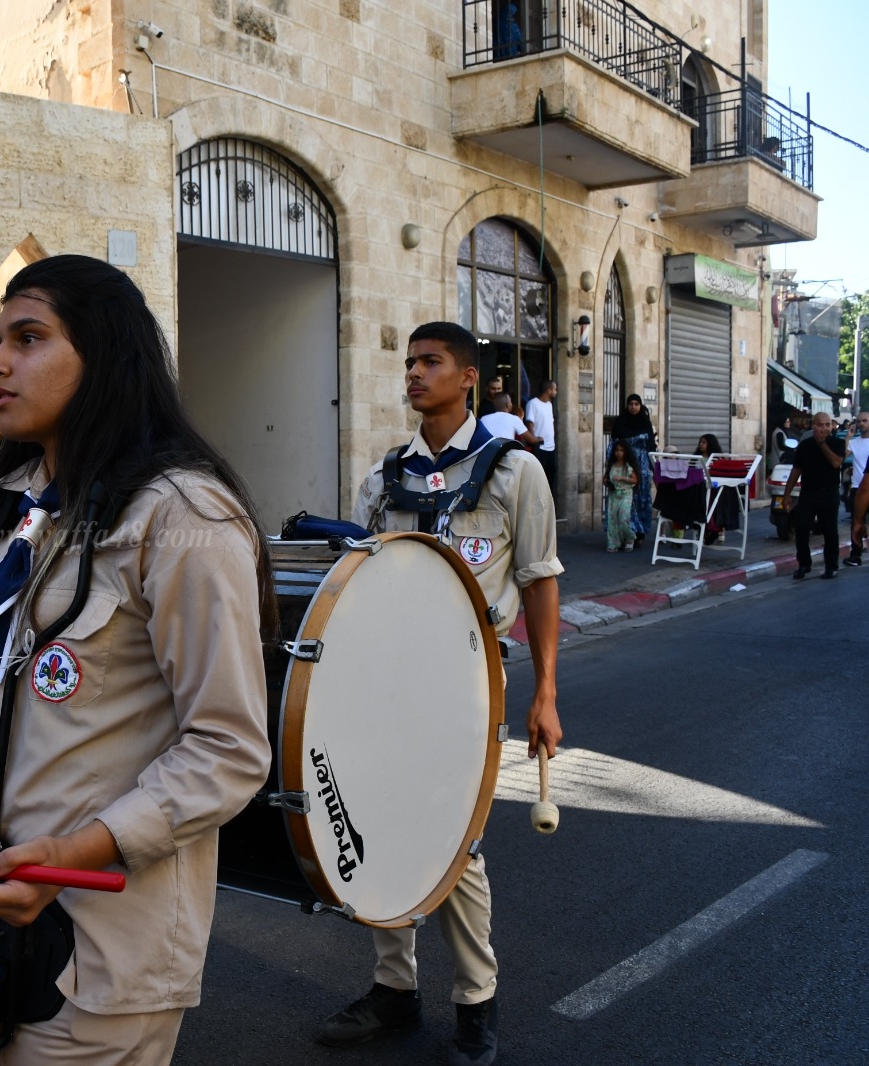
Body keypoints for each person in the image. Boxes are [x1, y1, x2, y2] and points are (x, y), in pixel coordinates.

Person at [0, 255, 273, 1064]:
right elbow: (32, 685)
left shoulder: (182, 518)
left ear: (105, 356)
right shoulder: (34, 504)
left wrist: (74, 857)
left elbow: (230, 749)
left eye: (28, 338)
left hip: (98, 952)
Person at [320, 321, 563, 1066]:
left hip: (469, 682)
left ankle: (476, 1003)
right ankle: (394, 991)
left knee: (456, 842)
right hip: (385, 680)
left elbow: (540, 579)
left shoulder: (515, 473)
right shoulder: (381, 479)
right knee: (382, 822)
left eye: (430, 363)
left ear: (468, 378)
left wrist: (546, 690)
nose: (414, 374)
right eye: (409, 363)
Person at [779, 411, 845, 581]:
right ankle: (804, 564)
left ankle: (831, 566)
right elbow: (796, 470)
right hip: (808, 493)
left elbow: (836, 463)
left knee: (830, 531)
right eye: (820, 425)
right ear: (813, 426)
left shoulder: (837, 443)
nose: (824, 428)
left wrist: (822, 444)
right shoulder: (805, 445)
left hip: (829, 493)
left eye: (827, 424)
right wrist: (787, 495)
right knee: (801, 528)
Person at [611, 394, 657, 548]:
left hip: (642, 466)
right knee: (626, 501)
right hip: (625, 465)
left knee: (641, 499)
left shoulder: (645, 423)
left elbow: (651, 447)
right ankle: (627, 532)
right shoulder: (620, 422)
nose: (633, 407)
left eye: (636, 404)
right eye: (630, 403)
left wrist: (653, 467)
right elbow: (613, 444)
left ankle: (640, 533)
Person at [844, 409, 869, 566]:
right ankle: (856, 554)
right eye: (859, 421)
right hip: (856, 487)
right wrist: (848, 436)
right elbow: (841, 456)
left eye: (865, 420)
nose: (861, 423)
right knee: (856, 522)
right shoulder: (853, 442)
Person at [603, 439, 637, 552]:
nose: (619, 453)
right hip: (613, 494)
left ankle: (630, 538)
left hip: (626, 493)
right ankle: (614, 543)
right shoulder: (611, 465)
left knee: (623, 518)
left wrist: (622, 478)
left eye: (621, 450)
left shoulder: (628, 466)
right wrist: (607, 481)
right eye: (617, 450)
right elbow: (605, 478)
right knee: (612, 519)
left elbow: (634, 480)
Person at [523, 378, 558, 489]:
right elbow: (529, 423)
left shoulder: (549, 404)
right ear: (549, 390)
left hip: (551, 447)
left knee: (551, 477)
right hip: (540, 447)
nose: (556, 392)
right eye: (554, 389)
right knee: (538, 478)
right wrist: (534, 441)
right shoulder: (533, 404)